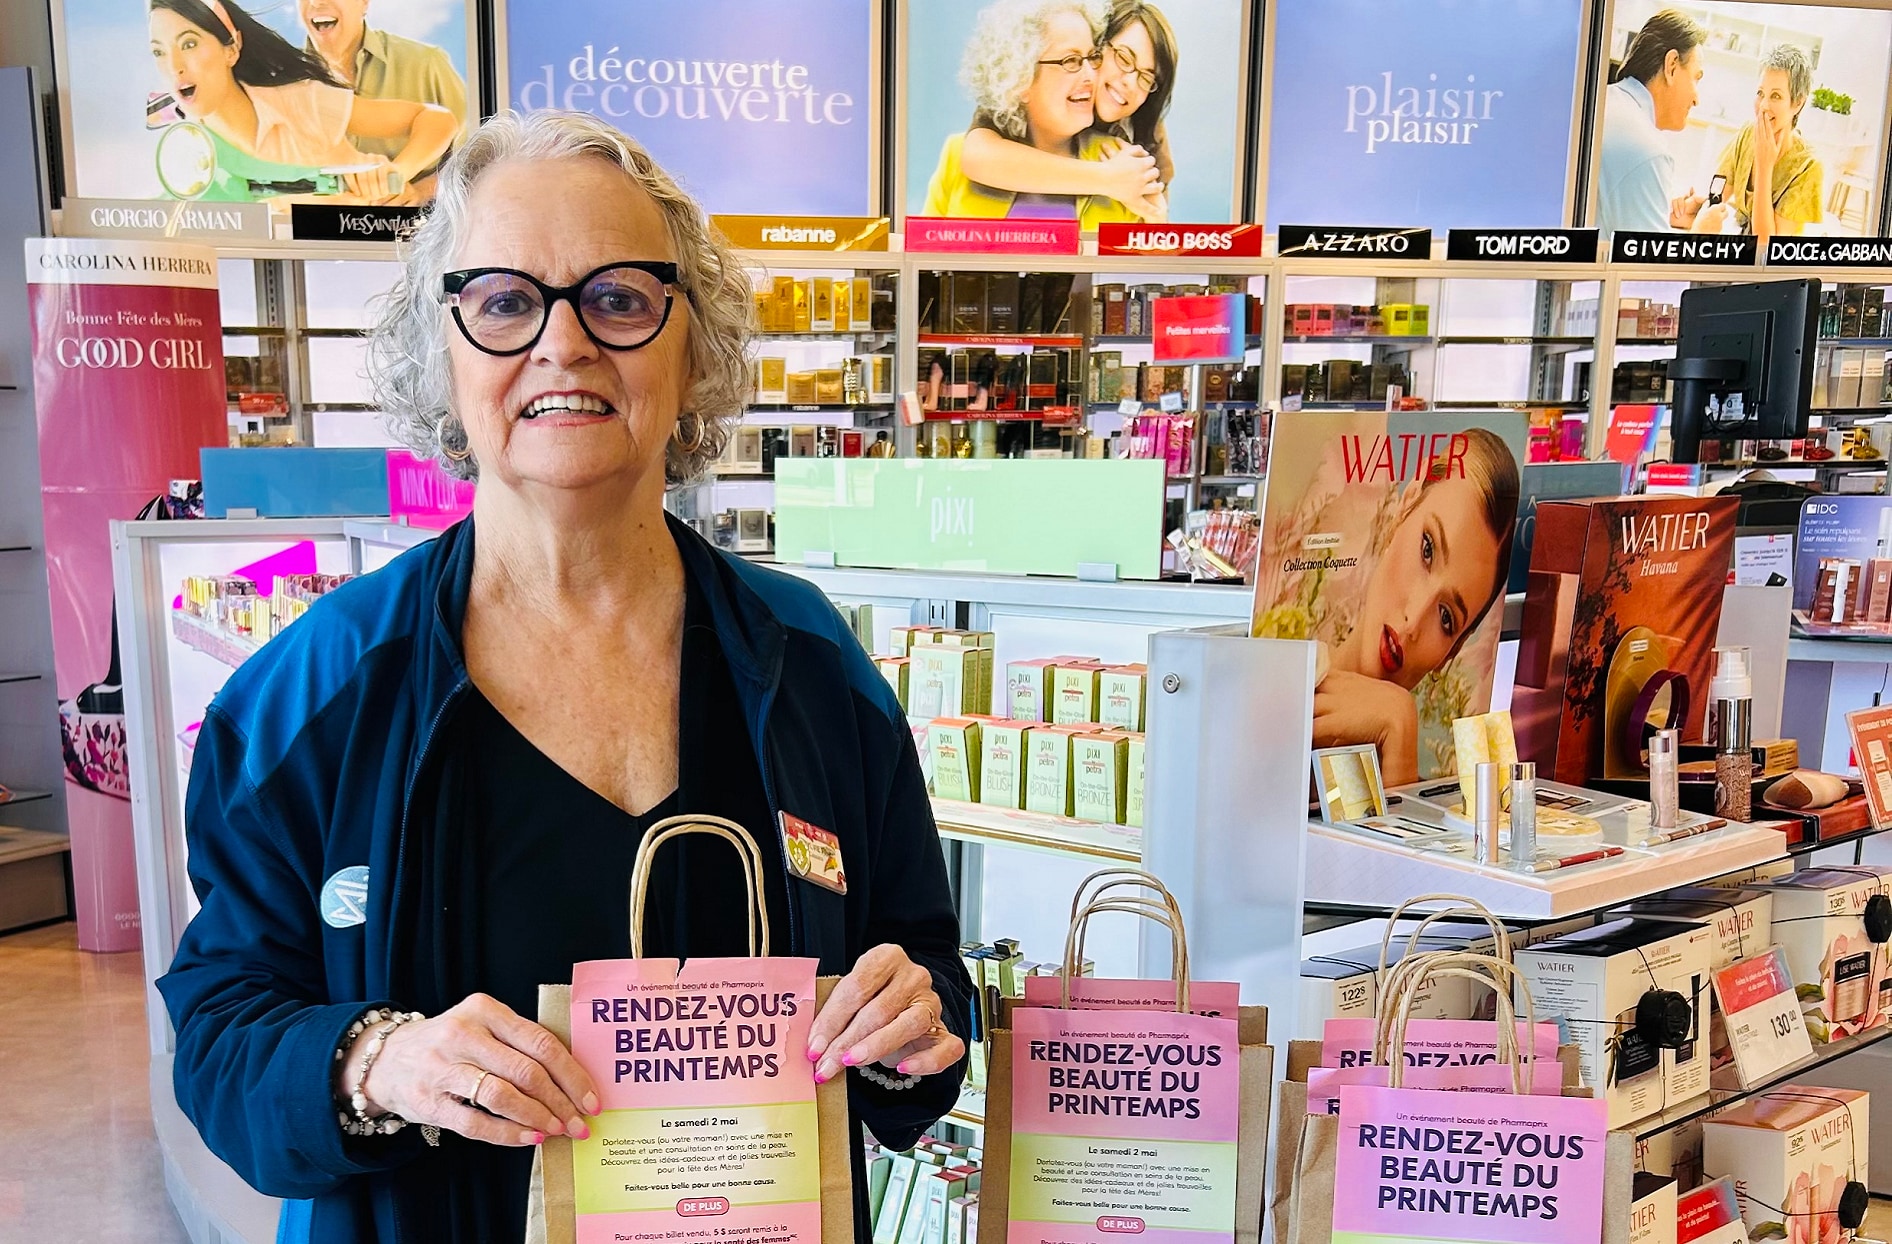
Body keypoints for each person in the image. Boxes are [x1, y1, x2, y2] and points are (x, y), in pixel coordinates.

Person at [157, 109, 970, 1244]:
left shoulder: (812, 667)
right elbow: (222, 1028)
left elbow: (926, 978)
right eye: (502, 300)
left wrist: (912, 1022)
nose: (563, 342)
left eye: (620, 298)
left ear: (695, 350)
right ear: (439, 354)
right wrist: (375, 1059)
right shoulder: (315, 695)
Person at [1307, 429, 1521, 787]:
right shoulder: (1266, 705)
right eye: (1427, 550)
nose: (1413, 621)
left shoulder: (1422, 778)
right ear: (1405, 507)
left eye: (1446, 617)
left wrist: (1399, 736)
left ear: (1451, 653)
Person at [148, 0, 457, 203]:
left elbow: (437, 121)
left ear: (232, 48)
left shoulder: (300, 100)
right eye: (159, 52)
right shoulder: (186, 156)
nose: (174, 65)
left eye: (189, 44)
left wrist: (399, 172)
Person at [920, 0, 1143, 229]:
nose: (1090, 76)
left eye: (1092, 57)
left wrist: (1156, 220)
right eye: (1071, 61)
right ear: (1019, 78)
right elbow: (921, 256)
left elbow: (1143, 256)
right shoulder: (956, 155)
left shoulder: (1119, 159)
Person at [959, 0, 1177, 222]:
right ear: (1098, 44)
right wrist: (1108, 178)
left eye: (1147, 78)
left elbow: (1154, 222)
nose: (1131, 82)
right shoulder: (1028, 90)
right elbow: (977, 155)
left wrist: (1155, 219)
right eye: (1124, 59)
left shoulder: (1148, 133)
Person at [1596, 9, 1731, 236]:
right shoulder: (1647, 150)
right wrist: (1701, 235)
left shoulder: (1607, 101)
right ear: (1671, 65)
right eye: (1696, 78)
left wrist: (1662, 212)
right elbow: (1649, 270)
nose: (1696, 99)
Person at [298, 0, 470, 178]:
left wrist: (420, 191)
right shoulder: (283, 84)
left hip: (426, 205)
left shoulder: (427, 63)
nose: (317, 2)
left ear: (364, 3)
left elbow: (475, 159)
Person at [1714, 44, 1824, 246]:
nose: (1763, 106)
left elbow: (1766, 246)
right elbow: (1717, 195)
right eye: (1760, 93)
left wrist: (1765, 167)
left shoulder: (1807, 166)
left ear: (1798, 103)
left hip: (1774, 270)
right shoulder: (1747, 134)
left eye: (1776, 96)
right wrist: (1699, 209)